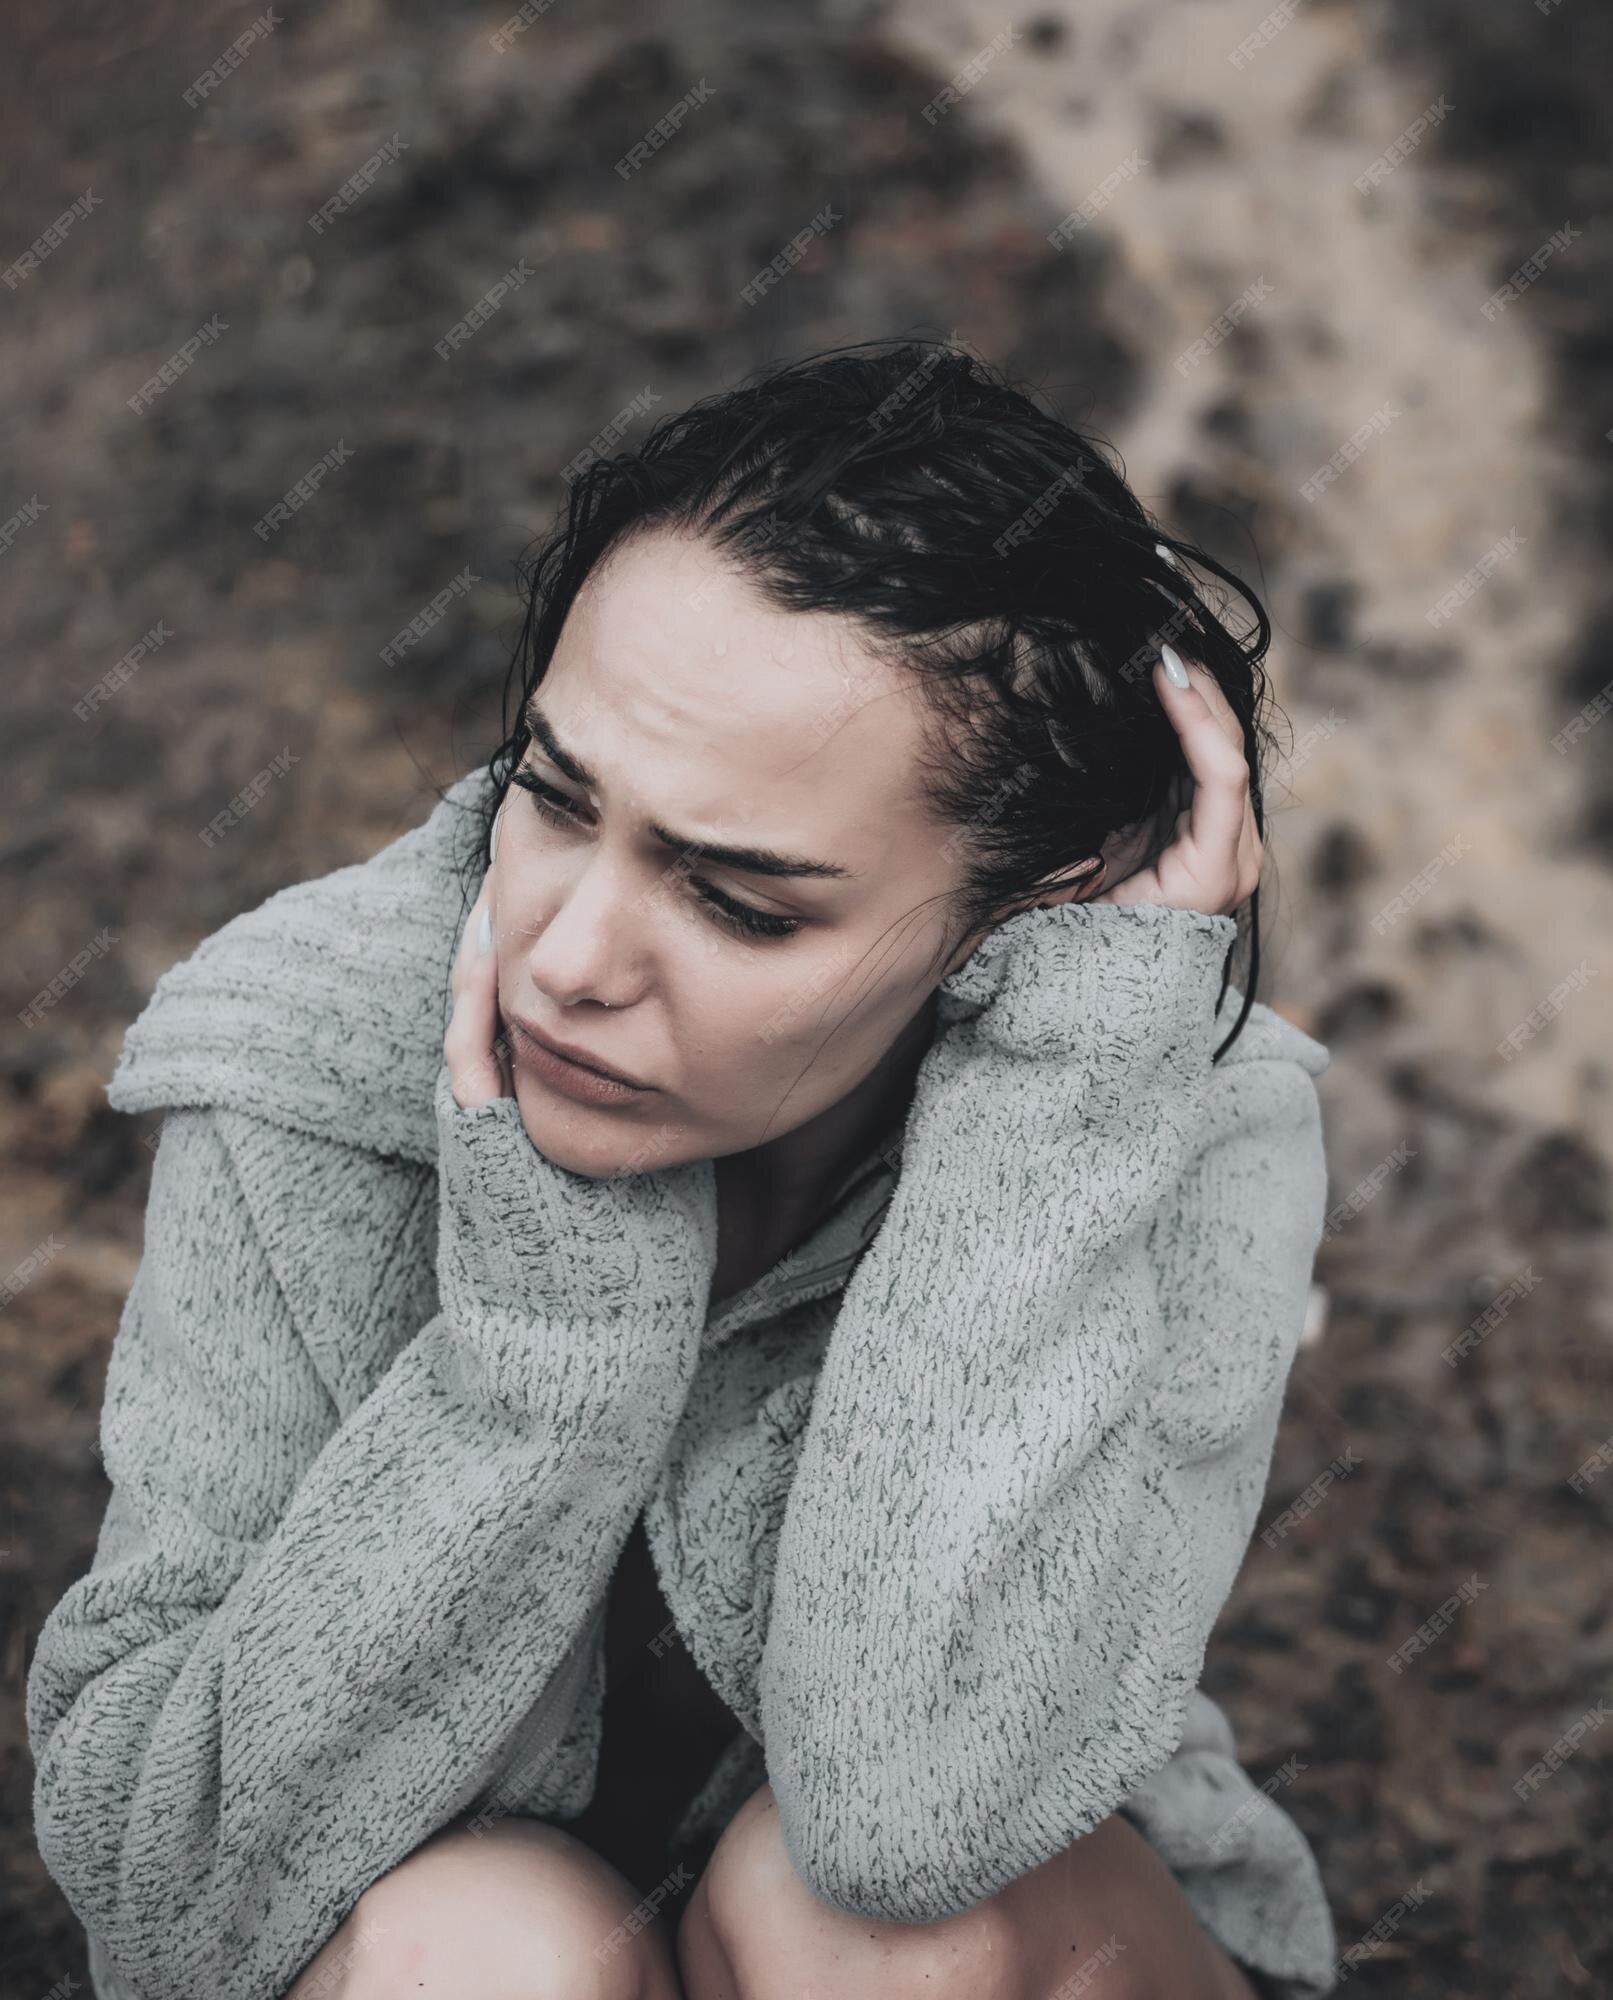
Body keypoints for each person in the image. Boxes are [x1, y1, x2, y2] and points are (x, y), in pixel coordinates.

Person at [27, 338, 1338, 2000]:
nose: (565, 960)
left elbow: (912, 1822)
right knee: (487, 1958)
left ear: (1036, 908)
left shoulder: (1170, 1119)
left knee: (863, 1931)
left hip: (1002, 1945)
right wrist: (542, 1363)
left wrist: (1058, 1103)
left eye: (739, 901)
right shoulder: (311, 1059)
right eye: (554, 799)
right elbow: (175, 1902)